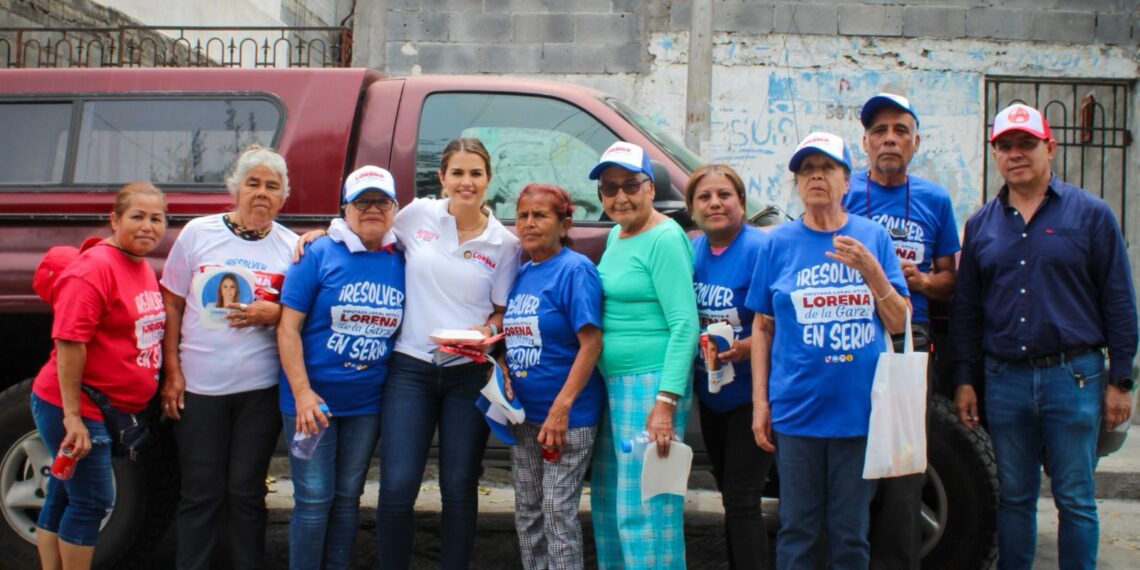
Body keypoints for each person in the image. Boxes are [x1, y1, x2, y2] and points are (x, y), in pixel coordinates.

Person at [952, 103, 1137, 570]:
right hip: (1005, 381)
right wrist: (966, 379)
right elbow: (968, 311)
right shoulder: (981, 225)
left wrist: (1121, 380)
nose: (1015, 153)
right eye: (1005, 145)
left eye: (1026, 143)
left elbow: (1119, 300)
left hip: (1073, 378)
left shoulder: (1091, 215)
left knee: (1075, 497)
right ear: (995, 154)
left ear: (1049, 148)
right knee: (1014, 496)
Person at [747, 132, 909, 570]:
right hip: (797, 411)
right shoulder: (777, 243)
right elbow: (762, 327)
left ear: (847, 182)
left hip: (859, 411)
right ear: (798, 183)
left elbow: (899, 322)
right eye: (806, 169)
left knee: (850, 532)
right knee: (797, 530)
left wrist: (872, 271)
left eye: (827, 168)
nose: (816, 176)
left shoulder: (872, 237)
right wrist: (761, 403)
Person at [377, 137, 521, 569]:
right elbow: (367, 229)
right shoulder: (417, 215)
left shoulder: (504, 244)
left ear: (488, 179)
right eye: (457, 173)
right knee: (397, 485)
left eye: (475, 173)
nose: (466, 182)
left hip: (468, 373)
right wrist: (319, 235)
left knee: (459, 486)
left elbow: (501, 311)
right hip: (411, 369)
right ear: (442, 178)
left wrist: (489, 330)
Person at [159, 145, 299, 570]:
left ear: (283, 196)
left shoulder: (291, 247)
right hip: (199, 388)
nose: (261, 193)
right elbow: (172, 303)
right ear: (235, 188)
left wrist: (275, 313)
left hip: (260, 391)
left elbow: (298, 313)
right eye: (253, 183)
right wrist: (172, 371)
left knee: (246, 492)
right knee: (200, 492)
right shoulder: (198, 233)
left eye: (272, 186)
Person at [842, 92, 960, 569]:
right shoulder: (844, 190)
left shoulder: (935, 199)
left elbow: (950, 280)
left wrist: (923, 281)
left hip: (910, 339)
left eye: (900, 131)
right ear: (865, 143)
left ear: (915, 143)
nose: (889, 139)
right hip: (850, 334)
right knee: (849, 452)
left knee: (905, 458)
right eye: (879, 131)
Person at [29, 182, 166, 570]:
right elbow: (70, 342)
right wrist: (73, 418)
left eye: (156, 218)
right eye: (137, 216)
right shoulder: (94, 270)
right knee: (92, 500)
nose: (148, 226)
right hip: (77, 405)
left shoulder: (139, 264)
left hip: (106, 408)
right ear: (114, 220)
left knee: (62, 495)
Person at [276, 166, 405, 570]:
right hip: (311, 402)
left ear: (395, 208)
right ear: (345, 209)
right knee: (314, 499)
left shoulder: (404, 258)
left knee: (348, 498)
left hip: (367, 404)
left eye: (381, 201)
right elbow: (288, 328)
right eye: (361, 202)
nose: (372, 209)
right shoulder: (317, 254)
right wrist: (303, 394)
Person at [588, 141, 699, 569]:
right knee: (611, 501)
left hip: (650, 387)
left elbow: (684, 325)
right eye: (609, 187)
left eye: (630, 185)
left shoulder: (664, 238)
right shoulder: (617, 234)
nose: (620, 196)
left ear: (651, 188)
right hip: (615, 386)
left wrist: (665, 403)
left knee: (648, 509)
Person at [501, 183, 605, 570]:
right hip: (524, 417)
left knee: (557, 512)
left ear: (564, 225)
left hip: (566, 420)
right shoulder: (523, 272)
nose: (529, 223)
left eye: (540, 215)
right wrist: (504, 366)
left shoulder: (575, 270)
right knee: (527, 511)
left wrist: (561, 409)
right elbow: (518, 334)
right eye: (523, 215)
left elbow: (591, 345)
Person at [685, 164, 774, 570]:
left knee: (742, 499)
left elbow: (782, 324)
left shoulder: (760, 249)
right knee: (730, 497)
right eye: (704, 197)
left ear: (741, 201)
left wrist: (745, 347)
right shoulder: (693, 249)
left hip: (752, 397)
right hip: (712, 393)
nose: (715, 204)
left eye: (724, 195)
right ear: (692, 208)